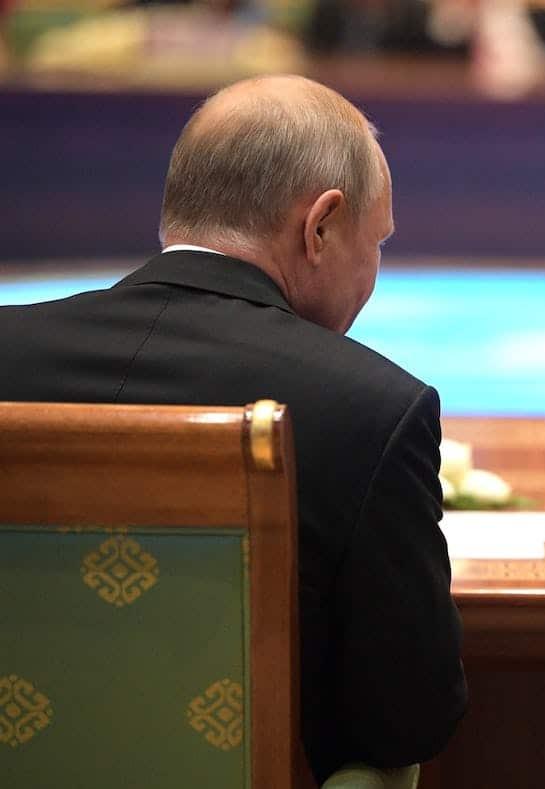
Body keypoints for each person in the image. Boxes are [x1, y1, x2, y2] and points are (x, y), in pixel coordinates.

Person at [0, 75, 466, 784]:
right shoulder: (371, 410)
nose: (374, 272)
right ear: (321, 226)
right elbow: (410, 717)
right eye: (377, 244)